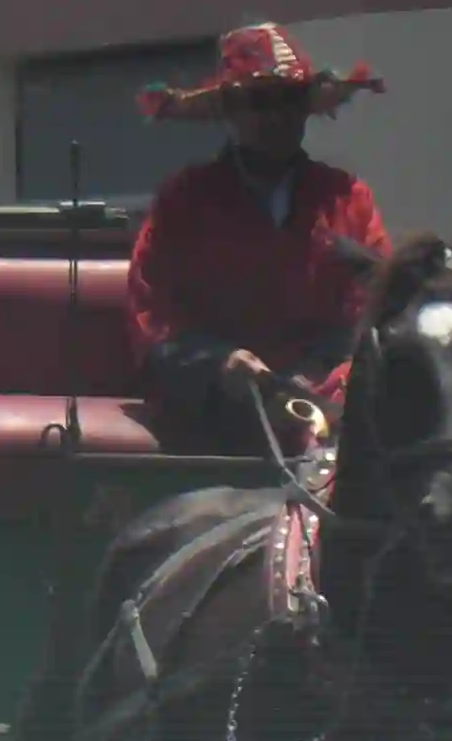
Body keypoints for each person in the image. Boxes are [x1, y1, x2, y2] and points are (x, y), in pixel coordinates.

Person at [126, 22, 393, 448]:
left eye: (290, 100)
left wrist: (318, 381)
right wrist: (219, 364)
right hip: (214, 424)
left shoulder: (349, 198)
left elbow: (373, 314)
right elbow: (154, 315)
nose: (277, 116)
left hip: (329, 420)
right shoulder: (183, 200)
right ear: (232, 110)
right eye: (260, 101)